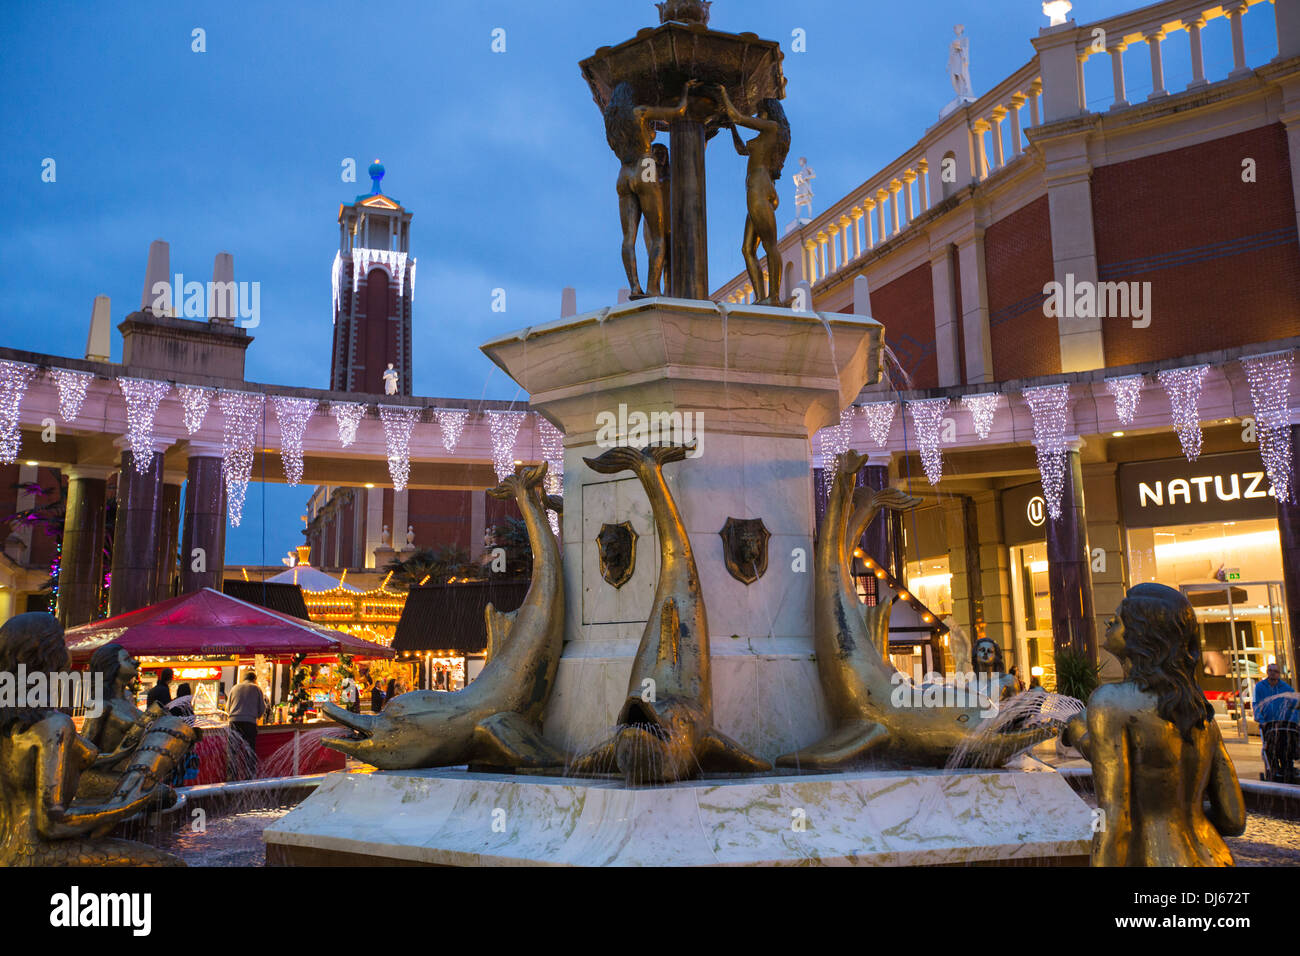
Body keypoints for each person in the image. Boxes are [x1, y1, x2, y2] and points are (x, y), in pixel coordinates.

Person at [1060, 583, 1245, 866]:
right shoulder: (1201, 715)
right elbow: (1233, 819)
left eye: (1119, 619)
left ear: (1142, 635)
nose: (1109, 622)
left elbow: (1111, 817)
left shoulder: (1110, 701)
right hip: (1215, 856)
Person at [717, 86, 791, 306]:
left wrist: (723, 93)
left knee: (769, 245)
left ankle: (775, 297)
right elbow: (741, 149)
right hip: (756, 190)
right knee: (747, 249)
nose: (757, 114)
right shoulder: (762, 137)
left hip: (760, 189)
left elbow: (738, 116)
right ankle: (761, 298)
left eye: (759, 110)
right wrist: (731, 129)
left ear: (767, 111)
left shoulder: (771, 128)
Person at [1254, 663, 1299, 781]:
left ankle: (1287, 768)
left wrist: (1294, 720)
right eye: (1270, 670)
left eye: (1275, 671)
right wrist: (1260, 719)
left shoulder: (1286, 688)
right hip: (1269, 724)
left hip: (1284, 724)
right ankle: (1273, 769)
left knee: (1286, 744)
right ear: (1267, 672)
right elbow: (1256, 704)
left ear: (1279, 674)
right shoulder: (1259, 687)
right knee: (1271, 745)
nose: (1273, 673)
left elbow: (1295, 705)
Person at [225, 671, 267, 774]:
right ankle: (249, 775)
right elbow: (262, 708)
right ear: (254, 679)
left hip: (234, 722)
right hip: (249, 722)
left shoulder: (234, 688)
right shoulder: (256, 688)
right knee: (249, 750)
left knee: (233, 751)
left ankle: (232, 775)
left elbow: (227, 708)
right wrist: (257, 716)